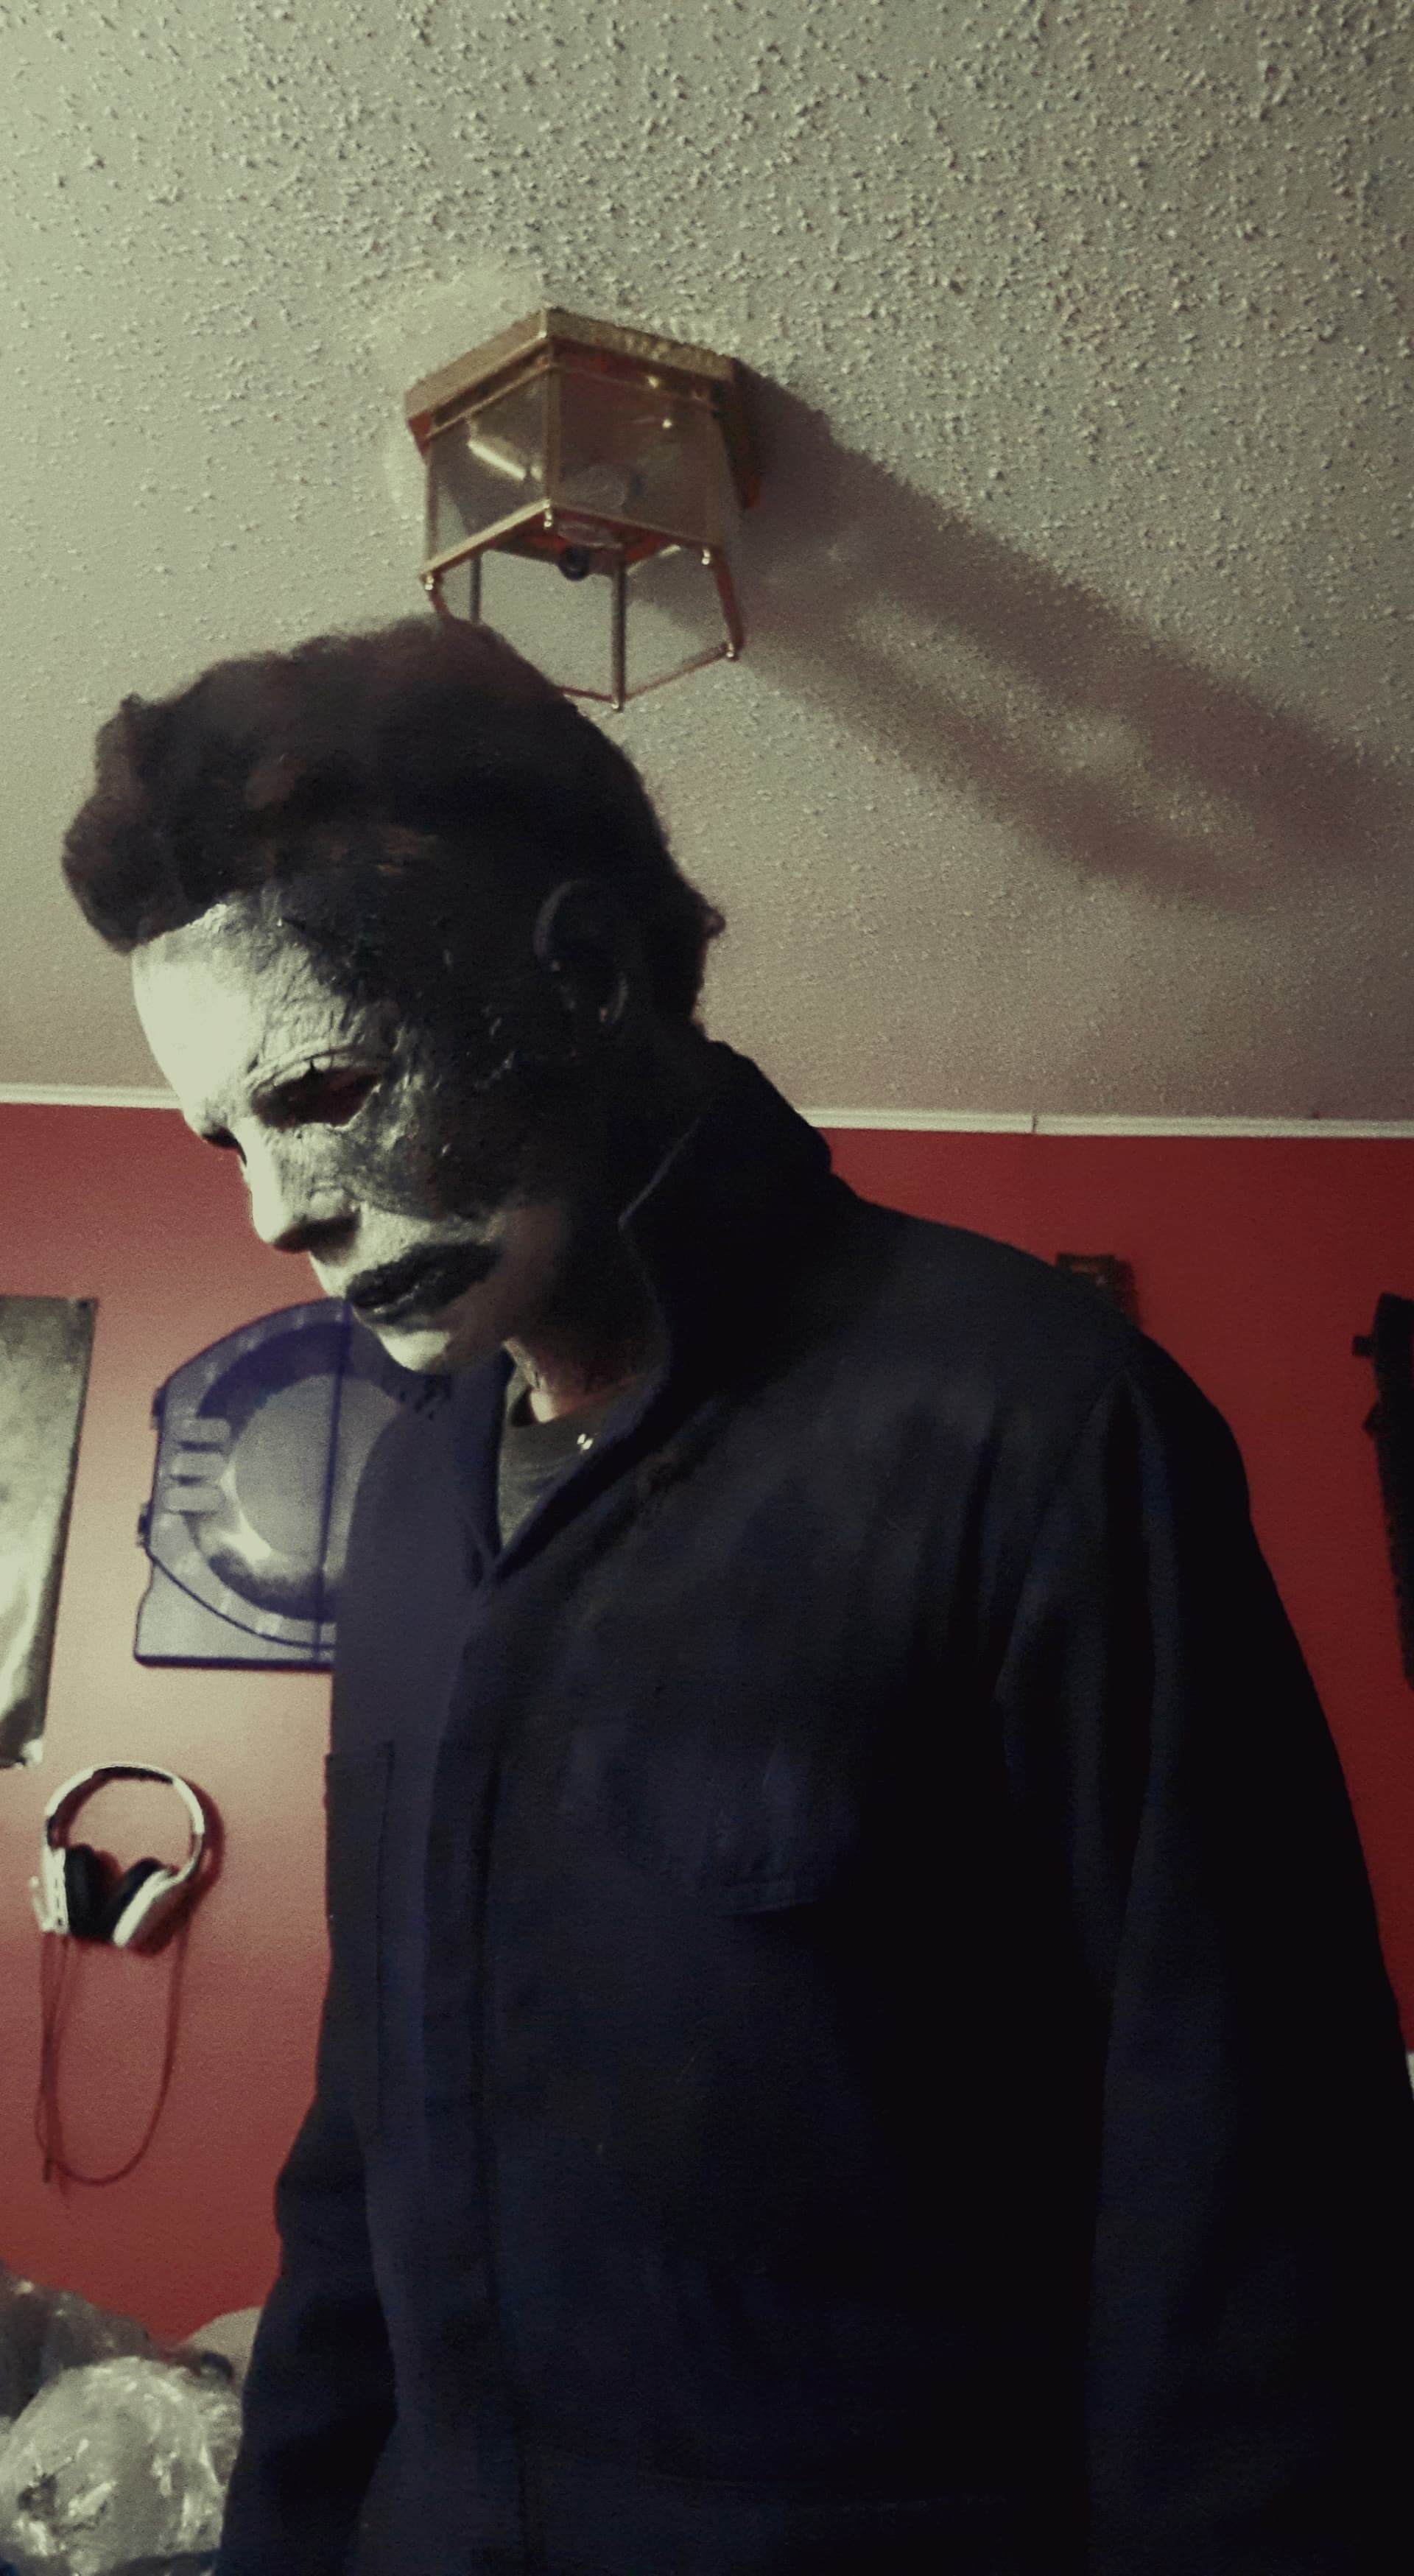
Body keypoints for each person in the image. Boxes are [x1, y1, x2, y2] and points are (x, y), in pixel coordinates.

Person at [63, 617, 1414, 2576]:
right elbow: (363, 2142)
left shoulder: (1036, 1423)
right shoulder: (414, 1490)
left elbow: (1255, 2198)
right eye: (223, 1144)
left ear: (588, 974)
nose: (278, 1210)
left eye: (325, 1087)